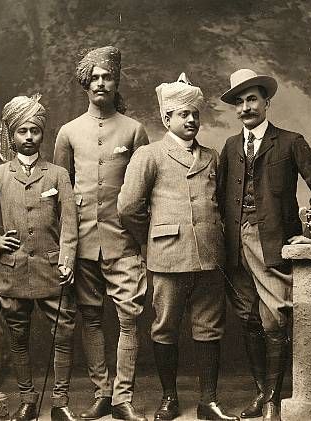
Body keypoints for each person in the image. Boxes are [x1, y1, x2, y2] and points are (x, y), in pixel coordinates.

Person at [117, 73, 239, 421]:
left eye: (194, 114)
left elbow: (220, 204)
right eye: (183, 114)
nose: (191, 120)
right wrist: (153, 236)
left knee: (209, 327)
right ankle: (169, 398)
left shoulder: (211, 156)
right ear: (166, 118)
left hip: (209, 256)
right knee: (165, 327)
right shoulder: (149, 155)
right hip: (168, 256)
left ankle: (208, 401)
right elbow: (128, 207)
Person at [217, 69, 311, 421]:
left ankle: (272, 402)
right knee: (248, 317)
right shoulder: (231, 146)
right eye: (239, 102)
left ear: (266, 102)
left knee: (274, 320)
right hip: (234, 246)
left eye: (252, 99)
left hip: (271, 245)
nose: (245, 108)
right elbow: (220, 195)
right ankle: (260, 394)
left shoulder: (290, 141)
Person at [0, 94, 79, 421]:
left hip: (52, 270)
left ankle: (61, 402)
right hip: (12, 270)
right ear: (11, 135)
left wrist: (67, 259)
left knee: (63, 333)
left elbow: (70, 222)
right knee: (18, 335)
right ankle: (27, 400)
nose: (28, 137)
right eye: (22, 131)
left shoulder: (58, 174)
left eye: (34, 131)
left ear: (42, 134)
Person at [53, 46, 149, 421]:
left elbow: (143, 191)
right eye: (94, 77)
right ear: (85, 84)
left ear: (116, 82)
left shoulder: (134, 130)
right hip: (82, 242)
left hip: (123, 240)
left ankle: (123, 399)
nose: (100, 83)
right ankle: (102, 393)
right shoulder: (68, 132)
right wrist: (65, 246)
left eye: (107, 77)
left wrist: (139, 237)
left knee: (128, 319)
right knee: (90, 316)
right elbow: (60, 193)